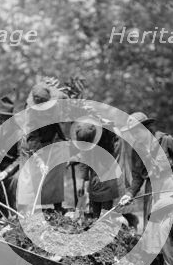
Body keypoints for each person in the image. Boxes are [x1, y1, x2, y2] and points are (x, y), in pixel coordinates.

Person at [118, 111, 173, 265]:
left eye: (136, 131)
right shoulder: (137, 150)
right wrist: (130, 194)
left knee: (170, 229)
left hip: (171, 189)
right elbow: (138, 177)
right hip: (151, 192)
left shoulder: (165, 141)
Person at [16, 83, 68, 213]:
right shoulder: (31, 115)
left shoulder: (56, 96)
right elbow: (32, 139)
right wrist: (40, 161)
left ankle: (57, 206)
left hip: (51, 138)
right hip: (32, 144)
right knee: (30, 176)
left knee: (56, 170)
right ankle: (26, 209)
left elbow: (67, 101)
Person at [70, 116, 124, 217]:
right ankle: (94, 220)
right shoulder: (85, 133)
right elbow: (85, 157)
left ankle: (104, 223)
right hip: (95, 177)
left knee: (105, 211)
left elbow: (116, 159)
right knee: (94, 209)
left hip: (109, 174)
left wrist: (103, 175)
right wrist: (81, 181)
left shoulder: (111, 137)